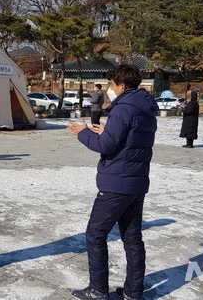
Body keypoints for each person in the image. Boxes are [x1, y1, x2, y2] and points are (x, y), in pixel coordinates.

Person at [67, 64, 157, 300]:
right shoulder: (144, 107)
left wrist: (83, 133)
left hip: (117, 183)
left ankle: (97, 289)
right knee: (132, 238)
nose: (109, 89)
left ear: (122, 86)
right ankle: (133, 290)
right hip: (136, 183)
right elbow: (129, 139)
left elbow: (105, 146)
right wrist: (107, 131)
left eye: (111, 85)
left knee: (95, 234)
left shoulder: (124, 109)